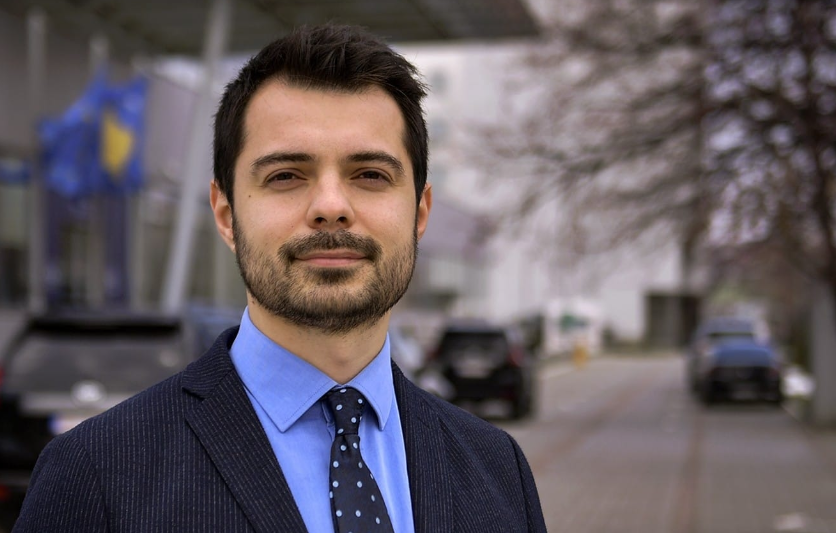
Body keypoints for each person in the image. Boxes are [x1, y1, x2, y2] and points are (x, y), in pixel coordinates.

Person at [14, 24, 547, 533]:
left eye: (370, 174)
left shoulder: (499, 470)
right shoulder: (96, 474)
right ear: (226, 214)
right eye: (286, 175)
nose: (331, 206)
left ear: (420, 212)